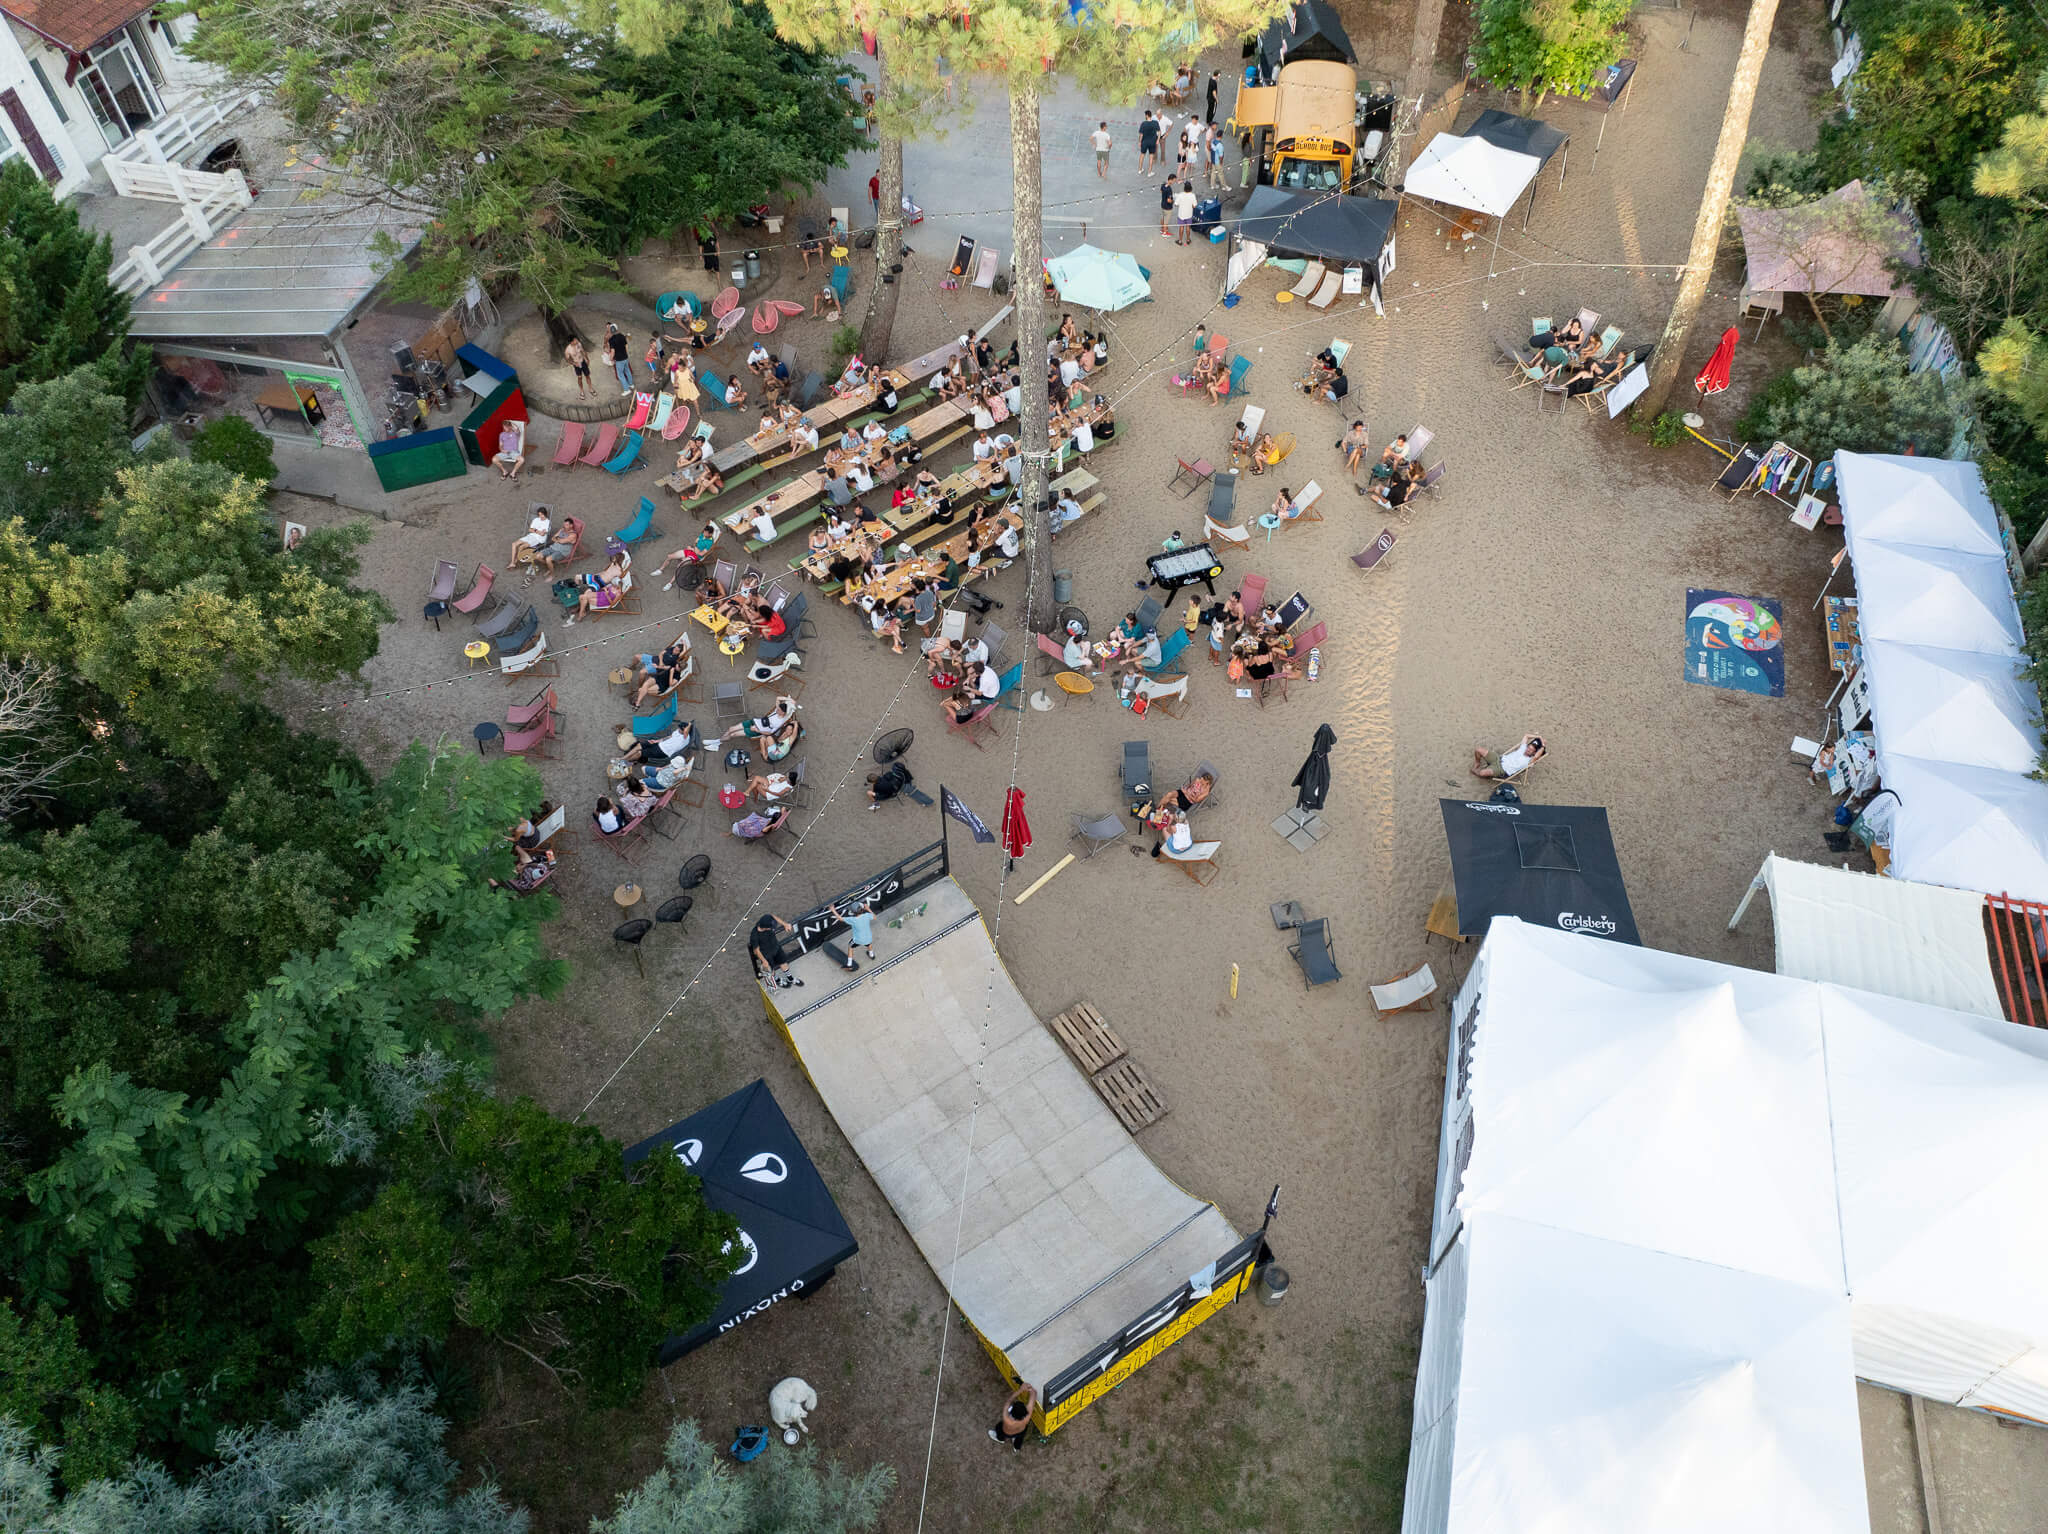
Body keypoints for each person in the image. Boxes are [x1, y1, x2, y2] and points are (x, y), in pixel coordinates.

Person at [749, 912, 802, 988]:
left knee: (783, 962)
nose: (773, 927)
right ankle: (778, 980)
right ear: (766, 927)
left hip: (776, 947)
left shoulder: (766, 918)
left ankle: (790, 978)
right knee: (771, 969)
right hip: (766, 954)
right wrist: (764, 961)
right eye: (771, 926)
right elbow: (756, 950)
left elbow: (773, 916)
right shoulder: (754, 936)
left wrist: (785, 924)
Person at [1472, 734, 1546, 780]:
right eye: (1528, 748)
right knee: (1478, 750)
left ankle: (1482, 771)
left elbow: (1537, 757)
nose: (1527, 750)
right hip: (1499, 758)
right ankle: (1477, 762)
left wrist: (1543, 745)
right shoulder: (1523, 748)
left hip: (1501, 770)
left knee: (1481, 773)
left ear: (1534, 753)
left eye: (1530, 750)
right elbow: (1526, 736)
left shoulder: (1529, 761)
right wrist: (1539, 737)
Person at [832, 895, 879, 960]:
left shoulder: (853, 920)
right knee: (868, 943)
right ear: (861, 909)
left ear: (853, 912)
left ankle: (849, 964)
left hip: (858, 940)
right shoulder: (867, 915)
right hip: (868, 937)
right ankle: (871, 955)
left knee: (850, 946)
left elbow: (840, 918)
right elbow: (874, 917)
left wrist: (833, 910)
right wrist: (868, 909)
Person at [992, 1383, 1038, 1450]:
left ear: (1012, 1411)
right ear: (1025, 1411)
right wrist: (1030, 1389)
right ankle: (1016, 1447)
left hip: (1007, 1433)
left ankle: (1000, 1439)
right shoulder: (1027, 1416)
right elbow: (1034, 1394)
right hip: (1021, 1431)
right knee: (1020, 1439)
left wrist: (1021, 1389)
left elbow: (1010, 1400)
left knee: (999, 1428)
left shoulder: (1006, 1418)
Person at [604, 323, 633, 395]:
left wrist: (611, 359)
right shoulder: (622, 336)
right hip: (625, 357)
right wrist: (625, 355)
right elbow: (626, 346)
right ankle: (631, 384)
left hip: (619, 359)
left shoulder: (611, 340)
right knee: (627, 370)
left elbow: (613, 351)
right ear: (617, 329)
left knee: (620, 374)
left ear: (611, 331)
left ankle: (626, 389)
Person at [564, 335, 594, 401]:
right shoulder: (568, 350)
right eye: (575, 340)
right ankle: (582, 391)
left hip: (583, 362)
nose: (577, 340)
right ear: (571, 342)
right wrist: (574, 363)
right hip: (577, 364)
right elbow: (567, 359)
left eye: (576, 339)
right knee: (579, 377)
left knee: (587, 375)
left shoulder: (579, 344)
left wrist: (587, 359)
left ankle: (590, 388)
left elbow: (583, 351)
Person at [1173, 180, 1197, 245]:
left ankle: (1180, 241)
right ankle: (1188, 240)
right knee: (1188, 227)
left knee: (1181, 227)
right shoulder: (1192, 195)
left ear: (1184, 188)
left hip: (1181, 215)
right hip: (1189, 215)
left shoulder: (1180, 195)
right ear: (1191, 188)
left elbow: (1176, 204)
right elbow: (1194, 206)